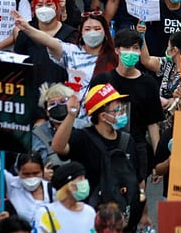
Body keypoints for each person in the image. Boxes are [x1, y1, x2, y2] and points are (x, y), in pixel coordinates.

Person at [49, 83, 147, 230]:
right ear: (103, 116)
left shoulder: (127, 140)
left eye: (122, 108)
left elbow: (139, 181)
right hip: (93, 220)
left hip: (123, 222)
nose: (122, 112)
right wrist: (71, 115)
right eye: (117, 109)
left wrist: (143, 214)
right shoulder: (82, 138)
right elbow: (58, 147)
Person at [90, 29, 164, 181]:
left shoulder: (148, 84)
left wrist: (158, 162)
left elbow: (153, 124)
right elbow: (93, 118)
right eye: (126, 48)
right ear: (117, 50)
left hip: (137, 146)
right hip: (105, 145)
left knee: (138, 197)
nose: (131, 52)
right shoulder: (102, 81)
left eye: (135, 48)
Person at [33, 161, 96, 232]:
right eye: (80, 179)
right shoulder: (46, 213)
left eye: (84, 178)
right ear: (69, 186)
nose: (85, 182)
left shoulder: (89, 212)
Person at [2, 153, 51, 224]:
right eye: (26, 174)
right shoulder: (11, 185)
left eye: (35, 173)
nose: (31, 177)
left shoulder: (51, 189)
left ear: (42, 171)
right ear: (18, 171)